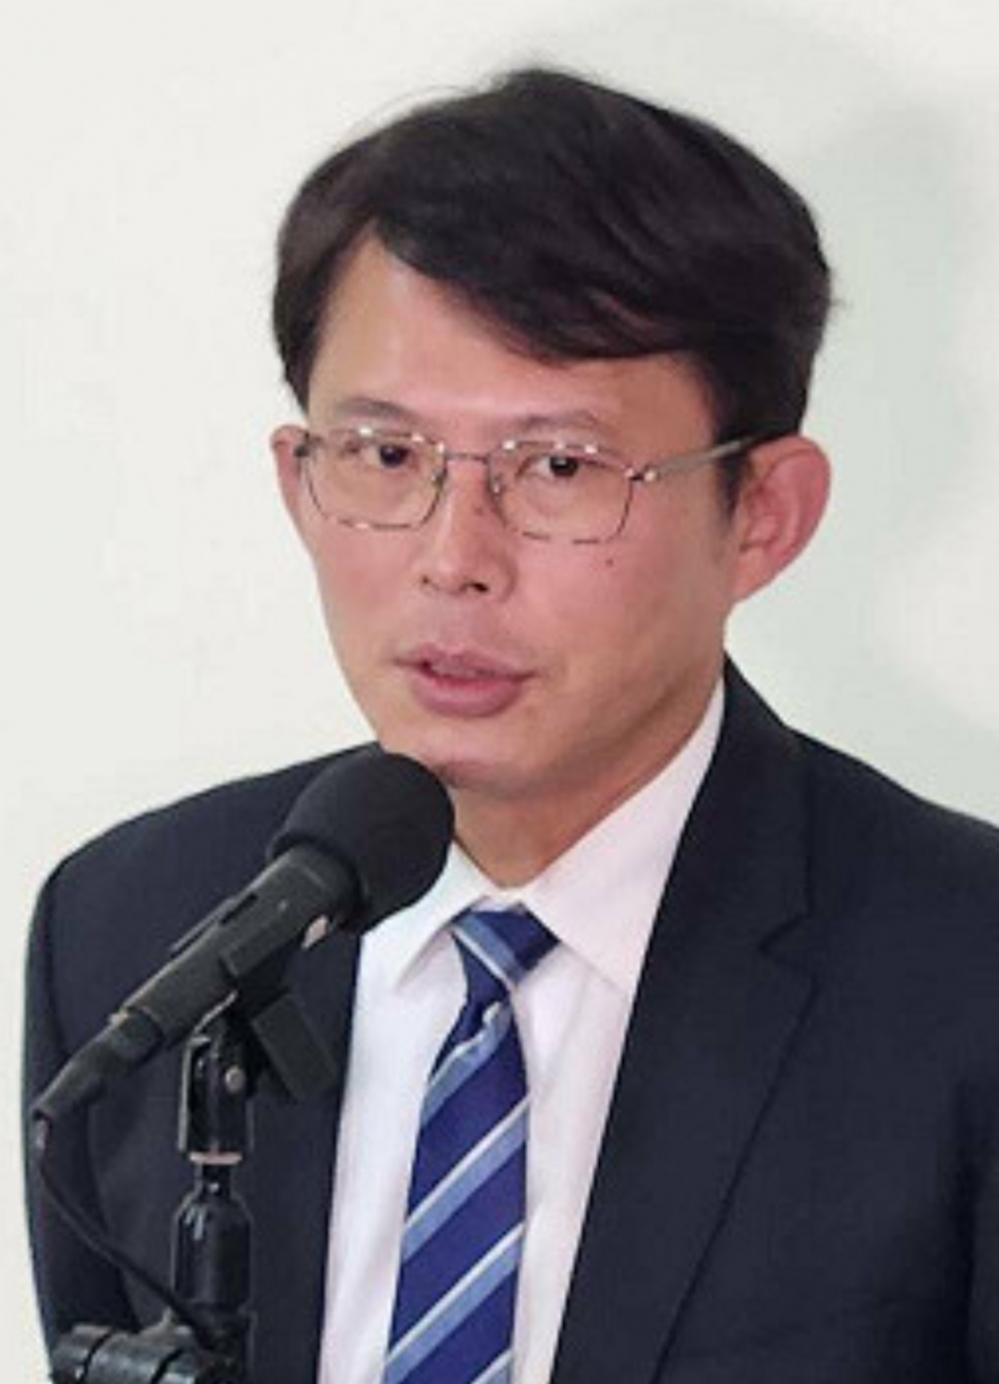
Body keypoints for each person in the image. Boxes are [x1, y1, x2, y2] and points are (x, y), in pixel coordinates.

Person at [23, 66, 999, 1384]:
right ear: (299, 483)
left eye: (560, 468)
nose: (455, 559)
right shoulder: (134, 932)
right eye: (386, 455)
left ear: (763, 516)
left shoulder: (963, 975)